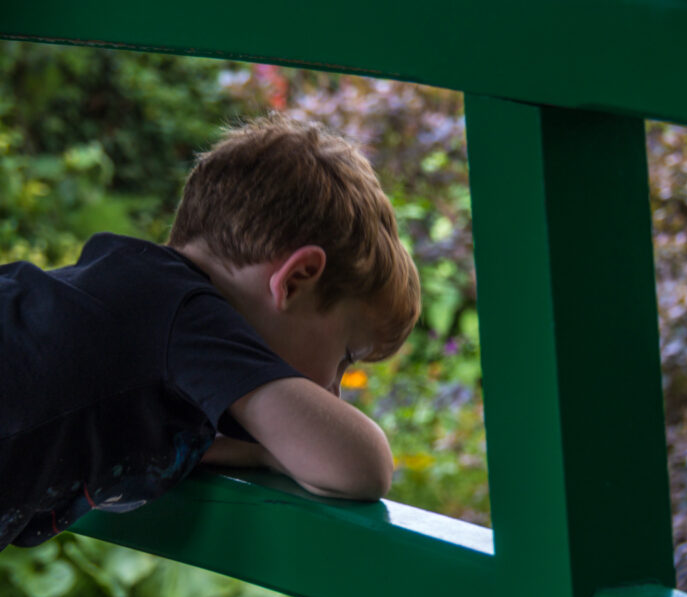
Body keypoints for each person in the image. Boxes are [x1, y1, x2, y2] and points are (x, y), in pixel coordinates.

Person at [0, 114, 421, 550]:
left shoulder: (135, 300)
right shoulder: (191, 319)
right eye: (345, 356)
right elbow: (364, 465)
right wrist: (265, 452)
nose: (332, 393)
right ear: (296, 280)